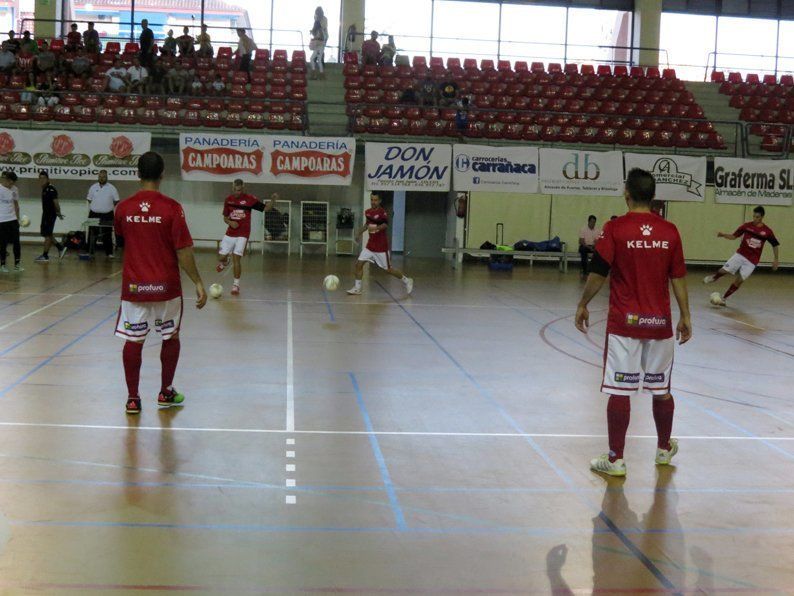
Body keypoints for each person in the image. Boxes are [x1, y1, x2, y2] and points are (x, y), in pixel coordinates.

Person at [575, 168, 691, 477]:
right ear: (654, 197)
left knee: (620, 390)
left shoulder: (615, 229)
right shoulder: (670, 231)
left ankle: (616, 459)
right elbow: (678, 277)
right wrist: (686, 316)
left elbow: (598, 272)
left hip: (625, 323)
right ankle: (664, 449)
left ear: (626, 193)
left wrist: (583, 303)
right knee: (661, 388)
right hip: (659, 324)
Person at [114, 151, 206, 415]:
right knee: (170, 335)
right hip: (166, 287)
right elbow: (184, 250)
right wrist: (198, 282)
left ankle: (133, 398)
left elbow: (121, 241)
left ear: (138, 174)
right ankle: (165, 392)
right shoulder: (172, 208)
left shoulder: (124, 208)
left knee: (134, 340)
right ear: (163, 174)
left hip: (134, 287)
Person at [703, 205, 779, 306]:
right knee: (723, 271)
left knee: (739, 280)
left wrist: (776, 259)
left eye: (757, 217)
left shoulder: (767, 231)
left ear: (762, 217)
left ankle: (724, 299)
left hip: (752, 261)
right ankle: (714, 277)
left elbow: (775, 244)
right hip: (740, 255)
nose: (755, 219)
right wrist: (723, 235)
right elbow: (734, 236)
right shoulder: (747, 226)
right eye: (754, 216)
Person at [347, 192, 413, 296]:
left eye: (375, 200)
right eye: (372, 200)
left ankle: (407, 280)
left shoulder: (382, 213)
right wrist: (359, 233)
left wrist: (376, 228)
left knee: (388, 269)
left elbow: (385, 225)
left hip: (381, 248)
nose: (373, 202)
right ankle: (357, 288)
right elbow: (367, 224)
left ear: (380, 201)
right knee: (358, 265)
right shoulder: (368, 212)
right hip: (370, 246)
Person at [216, 180, 274, 296]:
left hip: (243, 234)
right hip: (230, 232)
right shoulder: (228, 200)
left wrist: (273, 200)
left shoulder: (249, 199)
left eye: (240, 190)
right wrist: (230, 222)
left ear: (243, 188)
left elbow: (266, 208)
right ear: (233, 188)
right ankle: (225, 261)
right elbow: (225, 218)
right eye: (236, 190)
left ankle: (236, 285)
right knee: (221, 256)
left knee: (237, 258)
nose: (238, 192)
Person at [85, 169, 120, 258]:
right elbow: (89, 199)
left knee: (107, 234)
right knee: (92, 233)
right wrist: (97, 206)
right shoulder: (93, 187)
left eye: (103, 177)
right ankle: (90, 252)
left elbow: (116, 200)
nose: (101, 178)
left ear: (106, 177)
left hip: (107, 214)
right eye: (100, 177)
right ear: (98, 177)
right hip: (94, 214)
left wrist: (106, 207)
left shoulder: (112, 188)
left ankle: (109, 253)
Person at [34, 171, 67, 262]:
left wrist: (59, 212)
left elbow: (56, 202)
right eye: (40, 178)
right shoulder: (44, 189)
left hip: (50, 215)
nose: (42, 180)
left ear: (48, 179)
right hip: (45, 214)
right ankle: (60, 247)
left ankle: (45, 255)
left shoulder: (51, 189)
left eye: (44, 178)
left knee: (47, 235)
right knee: (47, 234)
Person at [0, 171, 22, 273]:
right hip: (2, 220)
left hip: (12, 219)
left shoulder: (15, 189)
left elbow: (16, 205)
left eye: (13, 183)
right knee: (3, 243)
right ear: (6, 180)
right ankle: (2, 265)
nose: (12, 184)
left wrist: (18, 219)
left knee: (17, 242)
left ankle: (17, 264)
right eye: (11, 182)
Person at [578, 214, 600, 279]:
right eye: (591, 222)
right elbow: (581, 241)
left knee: (599, 252)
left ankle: (595, 270)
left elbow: (597, 241)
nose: (593, 223)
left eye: (594, 222)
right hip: (585, 246)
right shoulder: (583, 229)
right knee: (583, 251)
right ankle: (585, 271)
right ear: (588, 221)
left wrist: (594, 246)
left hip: (593, 246)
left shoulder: (597, 230)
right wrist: (589, 247)